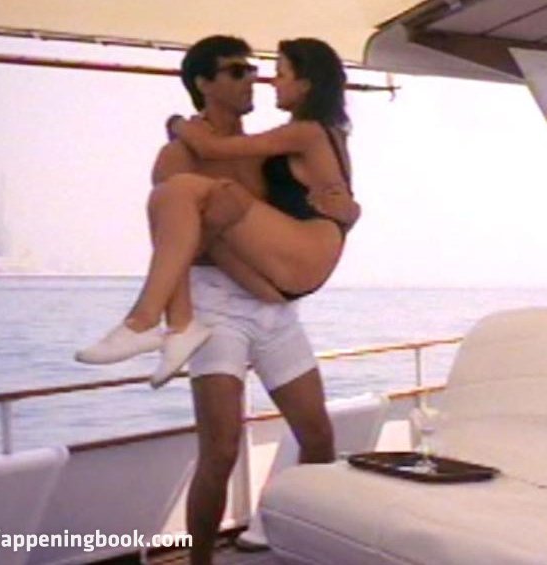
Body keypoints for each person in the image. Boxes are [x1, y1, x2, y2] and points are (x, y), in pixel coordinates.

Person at [79, 35, 350, 563]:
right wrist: (191, 310)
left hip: (274, 309)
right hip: (215, 308)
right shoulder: (177, 154)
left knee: (318, 435)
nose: (254, 78)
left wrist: (346, 210)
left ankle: (306, 544)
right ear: (203, 82)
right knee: (221, 451)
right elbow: (174, 246)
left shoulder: (269, 152)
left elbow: (304, 206)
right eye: (236, 71)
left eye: (254, 69)